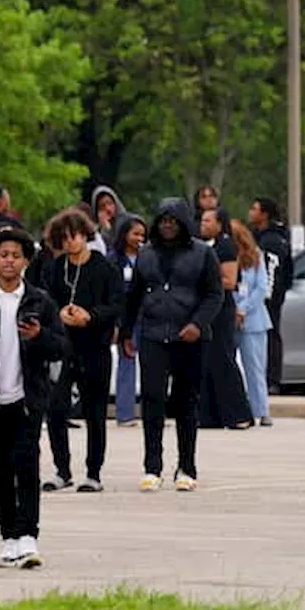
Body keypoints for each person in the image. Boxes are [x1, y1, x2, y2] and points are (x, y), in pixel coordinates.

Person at [0, 228, 68, 568]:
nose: (9, 261)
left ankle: (28, 537)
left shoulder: (40, 301)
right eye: (3, 254)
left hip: (27, 399)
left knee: (27, 466)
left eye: (15, 255)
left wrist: (40, 335)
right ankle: (8, 538)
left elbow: (62, 347)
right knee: (0, 470)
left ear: (26, 261)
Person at [122, 198, 224, 492]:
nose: (167, 225)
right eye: (163, 220)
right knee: (152, 399)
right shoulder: (146, 255)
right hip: (154, 334)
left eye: (173, 220)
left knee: (186, 402)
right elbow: (134, 296)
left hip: (190, 337)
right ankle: (152, 467)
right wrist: (127, 331)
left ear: (183, 222)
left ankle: (187, 467)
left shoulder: (203, 254)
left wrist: (197, 324)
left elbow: (214, 295)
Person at [39, 209, 123, 493]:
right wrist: (59, 313)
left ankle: (93, 472)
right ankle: (62, 469)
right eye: (64, 238)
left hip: (94, 346)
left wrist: (91, 316)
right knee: (56, 408)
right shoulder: (56, 266)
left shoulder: (104, 268)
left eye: (74, 236)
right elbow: (44, 298)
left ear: (85, 234)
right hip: (63, 347)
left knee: (95, 412)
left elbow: (115, 305)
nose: (70, 242)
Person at [197, 208, 253, 430]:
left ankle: (239, 413)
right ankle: (211, 415)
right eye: (202, 220)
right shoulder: (204, 246)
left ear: (220, 224)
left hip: (222, 309)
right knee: (206, 360)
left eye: (208, 220)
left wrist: (203, 282)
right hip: (207, 308)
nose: (203, 224)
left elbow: (229, 280)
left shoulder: (226, 246)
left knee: (223, 359)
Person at [232, 219, 273, 426]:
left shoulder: (256, 257)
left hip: (253, 319)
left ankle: (262, 410)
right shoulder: (223, 256)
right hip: (229, 317)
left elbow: (261, 288)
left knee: (255, 366)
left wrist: (243, 309)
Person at [249, 198, 293, 393]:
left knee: (270, 334)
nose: (250, 212)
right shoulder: (258, 237)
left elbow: (274, 271)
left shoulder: (271, 241)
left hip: (269, 296)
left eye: (254, 209)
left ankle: (272, 378)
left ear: (264, 214)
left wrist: (269, 295)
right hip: (264, 295)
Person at [111, 213, 147, 426]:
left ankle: (152, 412)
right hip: (127, 319)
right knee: (127, 362)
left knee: (152, 366)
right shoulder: (114, 259)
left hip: (149, 316)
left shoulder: (149, 257)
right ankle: (125, 413)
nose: (139, 238)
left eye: (142, 234)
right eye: (135, 233)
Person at [90, 185, 128, 255]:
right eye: (102, 206)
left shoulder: (127, 223)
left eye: (110, 203)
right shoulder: (95, 231)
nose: (107, 208)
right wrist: (105, 229)